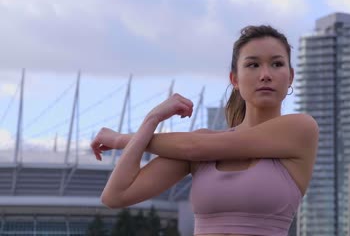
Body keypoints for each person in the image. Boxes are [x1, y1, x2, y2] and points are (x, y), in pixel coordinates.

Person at [91, 25, 319, 236]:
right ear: (235, 79)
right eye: (253, 64)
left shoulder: (300, 129)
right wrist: (152, 118)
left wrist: (121, 139)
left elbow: (195, 147)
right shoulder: (199, 148)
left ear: (290, 77)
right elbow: (115, 195)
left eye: (277, 64)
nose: (265, 74)